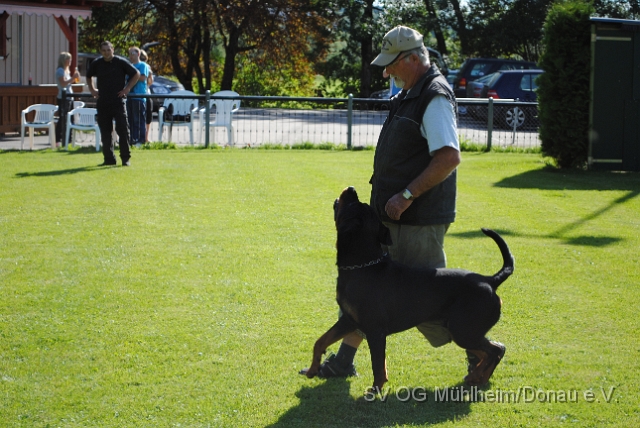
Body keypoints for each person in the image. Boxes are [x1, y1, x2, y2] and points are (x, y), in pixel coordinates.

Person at [305, 26, 505, 385]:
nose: (386, 73)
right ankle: (343, 360)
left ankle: (480, 355)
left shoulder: (435, 97)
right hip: (394, 218)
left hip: (418, 220)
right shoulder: (411, 92)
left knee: (436, 300)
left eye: (391, 65)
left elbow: (448, 157)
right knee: (363, 291)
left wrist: (407, 195)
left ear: (413, 59)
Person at [86, 41, 140, 166]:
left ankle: (125, 159)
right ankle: (109, 159)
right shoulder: (97, 63)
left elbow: (136, 74)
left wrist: (127, 89)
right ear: (101, 51)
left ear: (113, 49)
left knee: (123, 130)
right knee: (105, 131)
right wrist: (92, 89)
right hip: (103, 101)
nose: (106, 52)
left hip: (118, 101)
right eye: (103, 50)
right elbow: (88, 76)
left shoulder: (120, 62)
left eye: (108, 50)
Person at [55, 52, 80, 147]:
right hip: (63, 98)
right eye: (68, 59)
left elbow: (69, 82)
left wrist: (74, 78)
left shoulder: (66, 71)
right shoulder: (60, 71)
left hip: (69, 97)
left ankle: (69, 140)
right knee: (63, 119)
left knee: (70, 119)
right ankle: (58, 140)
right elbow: (63, 83)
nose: (70, 61)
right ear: (63, 60)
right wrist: (73, 78)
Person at [127, 46, 151, 146]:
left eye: (133, 53)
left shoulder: (143, 65)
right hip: (130, 96)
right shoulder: (129, 65)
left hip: (139, 96)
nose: (131, 56)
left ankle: (141, 140)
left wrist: (132, 76)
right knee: (131, 120)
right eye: (130, 54)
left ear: (138, 54)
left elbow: (142, 77)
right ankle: (132, 139)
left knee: (139, 120)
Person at [139, 49, 155, 142]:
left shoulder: (147, 67)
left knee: (148, 117)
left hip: (147, 93)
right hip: (137, 95)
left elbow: (150, 82)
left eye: (144, 58)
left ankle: (146, 137)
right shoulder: (134, 66)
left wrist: (149, 75)